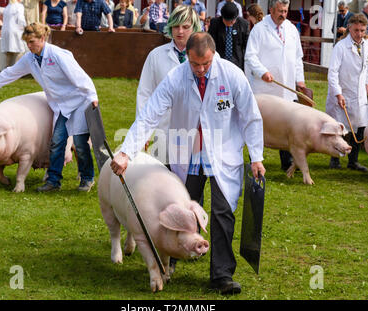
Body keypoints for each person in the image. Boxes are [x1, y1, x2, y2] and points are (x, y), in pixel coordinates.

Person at [111, 32, 265, 295]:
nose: (201, 69)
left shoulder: (232, 75)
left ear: (214, 55)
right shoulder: (176, 77)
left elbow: (251, 116)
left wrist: (257, 156)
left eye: (206, 64)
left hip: (222, 153)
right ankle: (173, 259)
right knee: (179, 210)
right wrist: (126, 152)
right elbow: (149, 115)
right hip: (188, 152)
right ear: (188, 58)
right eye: (195, 64)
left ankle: (222, 274)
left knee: (222, 212)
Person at [0, 22, 98, 193]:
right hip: (60, 106)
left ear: (42, 38)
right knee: (57, 142)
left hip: (79, 101)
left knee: (79, 143)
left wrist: (92, 97)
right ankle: (53, 180)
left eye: (32, 42)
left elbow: (80, 76)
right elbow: (11, 73)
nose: (29, 46)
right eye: (27, 42)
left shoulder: (58, 55)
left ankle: (87, 178)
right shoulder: (30, 58)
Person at [137, 5, 202, 166]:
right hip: (163, 130)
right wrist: (143, 131)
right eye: (176, 26)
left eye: (185, 27)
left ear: (195, 28)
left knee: (192, 185)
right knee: (162, 181)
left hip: (194, 132)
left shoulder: (207, 57)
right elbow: (145, 93)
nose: (180, 31)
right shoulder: (156, 55)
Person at [245, 0, 305, 172]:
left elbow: (297, 58)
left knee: (286, 126)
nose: (283, 15)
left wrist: (300, 80)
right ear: (271, 10)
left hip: (286, 88)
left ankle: (287, 162)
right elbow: (251, 57)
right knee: (259, 124)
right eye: (280, 11)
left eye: (285, 11)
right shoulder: (259, 30)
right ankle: (255, 161)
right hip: (265, 88)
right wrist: (262, 72)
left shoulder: (292, 29)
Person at [326, 14, 368, 172]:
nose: (359, 34)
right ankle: (335, 159)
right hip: (343, 91)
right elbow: (332, 73)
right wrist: (338, 93)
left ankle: (353, 161)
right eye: (355, 30)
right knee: (340, 128)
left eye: (362, 30)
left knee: (359, 128)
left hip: (359, 94)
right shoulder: (340, 47)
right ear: (349, 28)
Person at [208, 2, 249, 71]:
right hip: (219, 62)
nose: (231, 23)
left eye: (233, 21)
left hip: (237, 63)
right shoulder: (215, 23)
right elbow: (210, 43)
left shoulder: (243, 24)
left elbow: (246, 46)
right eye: (228, 21)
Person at [0, 0, 26, 70]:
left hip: (6, 31)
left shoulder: (7, 7)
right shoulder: (19, 6)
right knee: (20, 50)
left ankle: (6, 69)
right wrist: (25, 27)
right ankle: (16, 70)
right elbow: (21, 19)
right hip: (16, 30)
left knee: (9, 51)